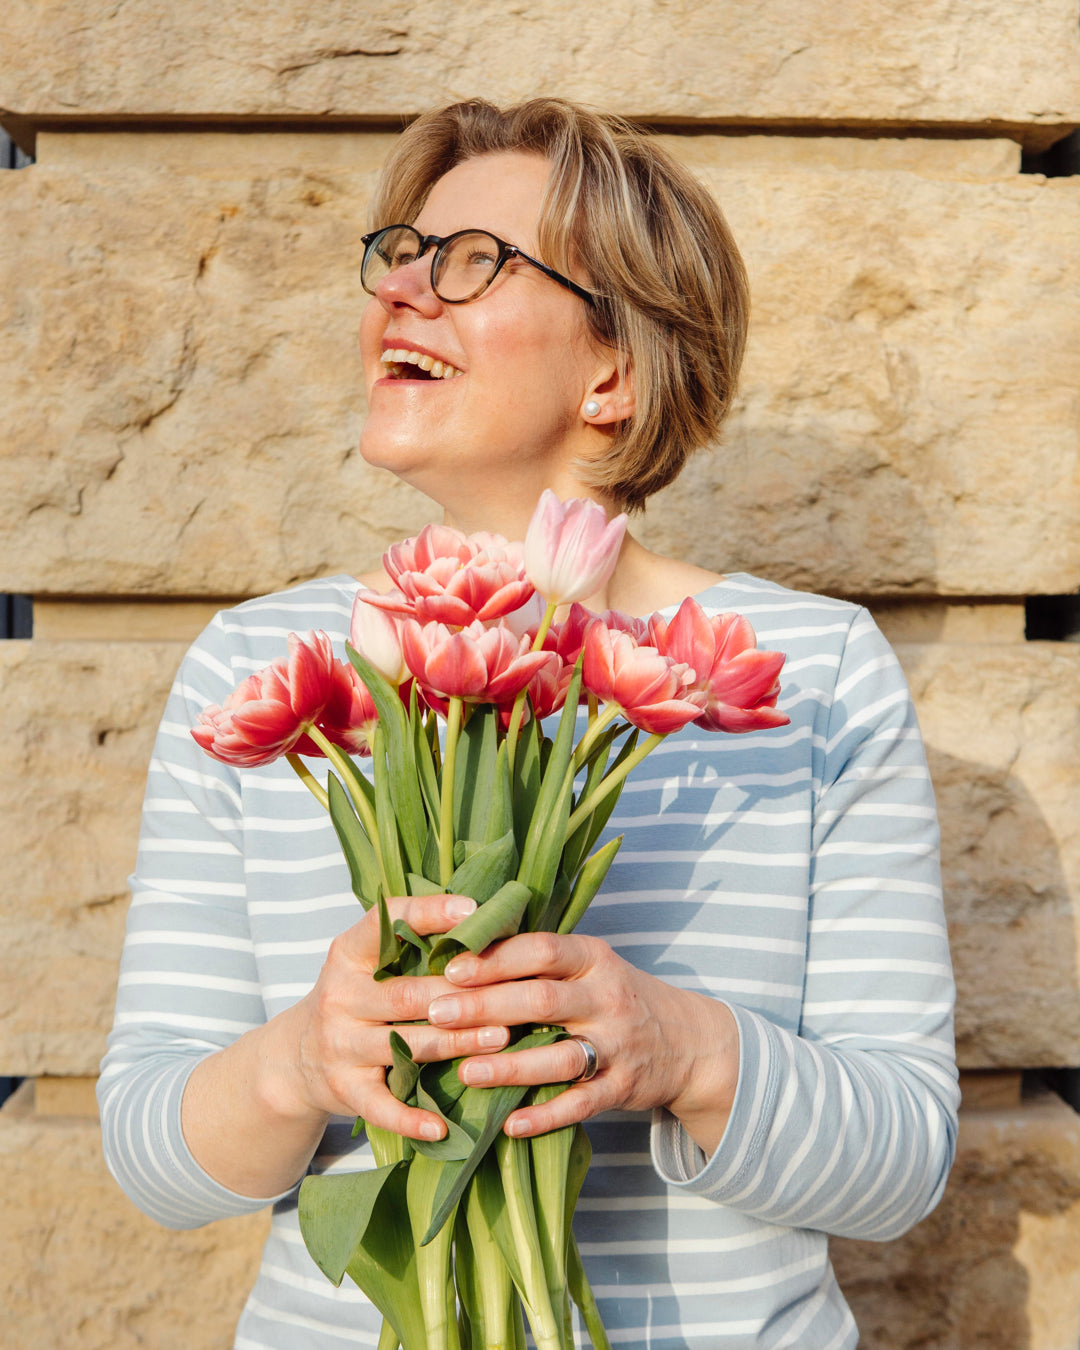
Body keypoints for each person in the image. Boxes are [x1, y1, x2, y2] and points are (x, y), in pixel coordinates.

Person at [98, 98, 958, 1349]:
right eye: (399, 256)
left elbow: (903, 1166)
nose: (400, 292)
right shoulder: (266, 669)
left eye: (469, 263)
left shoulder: (804, 673)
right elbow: (149, 1161)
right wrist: (303, 1061)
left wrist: (682, 1049)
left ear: (614, 367)